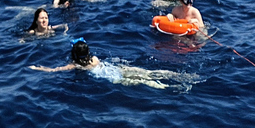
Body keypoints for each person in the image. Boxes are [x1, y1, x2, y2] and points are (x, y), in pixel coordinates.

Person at [30, 39, 192, 90]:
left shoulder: (77, 65)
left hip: (113, 77)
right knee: (147, 72)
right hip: (115, 68)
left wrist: (38, 68)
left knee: (145, 82)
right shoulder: (94, 58)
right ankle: (177, 75)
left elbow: (54, 70)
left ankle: (171, 87)